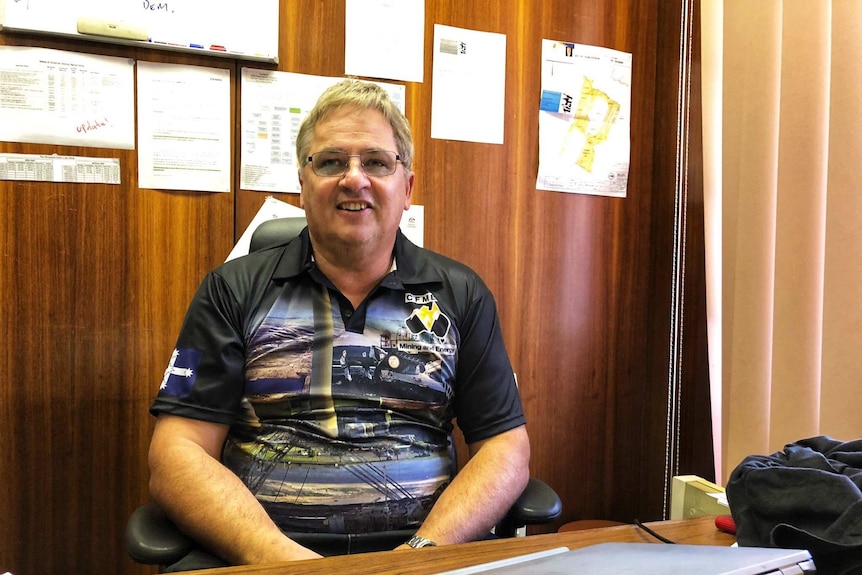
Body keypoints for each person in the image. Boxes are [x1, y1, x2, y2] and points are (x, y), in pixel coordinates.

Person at [147, 78, 531, 566]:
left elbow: (505, 447)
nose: (355, 179)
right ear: (302, 185)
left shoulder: (460, 294)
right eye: (331, 162)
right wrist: (286, 561)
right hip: (262, 556)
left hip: (423, 554)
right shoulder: (232, 290)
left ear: (406, 187)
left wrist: (419, 555)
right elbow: (177, 453)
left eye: (376, 162)